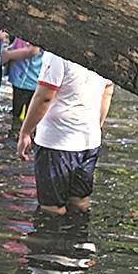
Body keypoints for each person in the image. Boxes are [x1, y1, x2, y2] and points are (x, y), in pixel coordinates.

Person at [17, 54, 114, 215]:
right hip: (89, 140)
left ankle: (52, 239)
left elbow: (45, 97)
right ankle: (78, 238)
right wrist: (97, 125)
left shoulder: (57, 53)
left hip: (56, 143)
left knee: (52, 207)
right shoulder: (104, 48)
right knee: (80, 201)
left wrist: (25, 132)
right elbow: (108, 90)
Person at [2, 36, 44, 127]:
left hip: (26, 81)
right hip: (25, 80)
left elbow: (33, 51)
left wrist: (8, 55)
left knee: (20, 118)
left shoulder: (35, 30)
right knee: (24, 115)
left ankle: (19, 135)